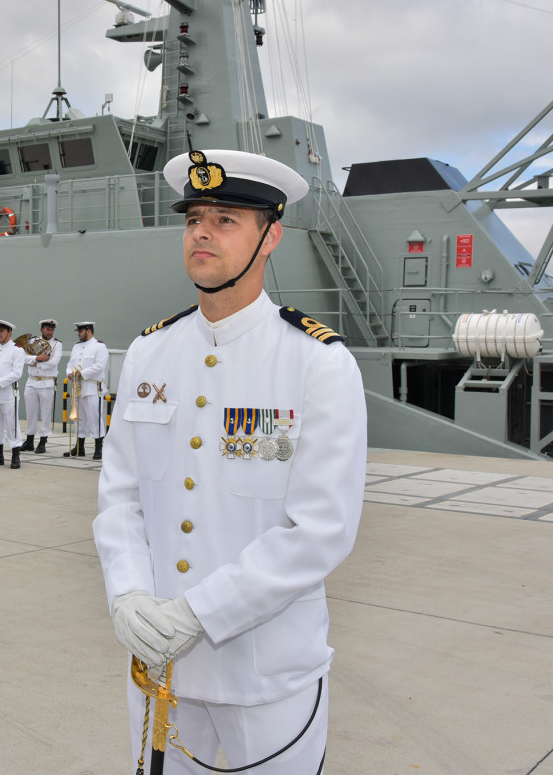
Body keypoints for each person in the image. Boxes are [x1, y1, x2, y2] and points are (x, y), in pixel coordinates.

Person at [93, 149, 367, 775]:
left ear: (271, 236)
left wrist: (199, 611)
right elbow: (121, 499)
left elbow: (321, 529)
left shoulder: (316, 364)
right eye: (194, 218)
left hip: (267, 676)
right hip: (161, 664)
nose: (202, 233)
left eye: (225, 219)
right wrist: (128, 595)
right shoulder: (148, 354)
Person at [63, 322, 109, 460]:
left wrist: (80, 373)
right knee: (78, 418)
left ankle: (98, 448)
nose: (78, 333)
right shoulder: (76, 347)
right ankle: (79, 447)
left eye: (80, 330)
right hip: (77, 388)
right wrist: (70, 373)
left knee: (95, 418)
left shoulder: (99, 347)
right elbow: (70, 364)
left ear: (88, 330)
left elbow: (99, 366)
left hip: (92, 388)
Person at [0, 320, 25, 469]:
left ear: (9, 332)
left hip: (9, 393)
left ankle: (15, 456)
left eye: (1, 331)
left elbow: (17, 374)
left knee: (12, 424)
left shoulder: (17, 350)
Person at [20, 318, 62, 454]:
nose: (50, 332)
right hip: (32, 381)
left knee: (45, 413)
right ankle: (29, 440)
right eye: (47, 329)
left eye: (52, 330)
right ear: (41, 329)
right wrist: (38, 358)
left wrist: (35, 362)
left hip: (47, 382)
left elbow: (54, 362)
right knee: (30, 412)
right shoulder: (32, 342)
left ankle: (43, 441)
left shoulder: (57, 345)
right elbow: (23, 357)